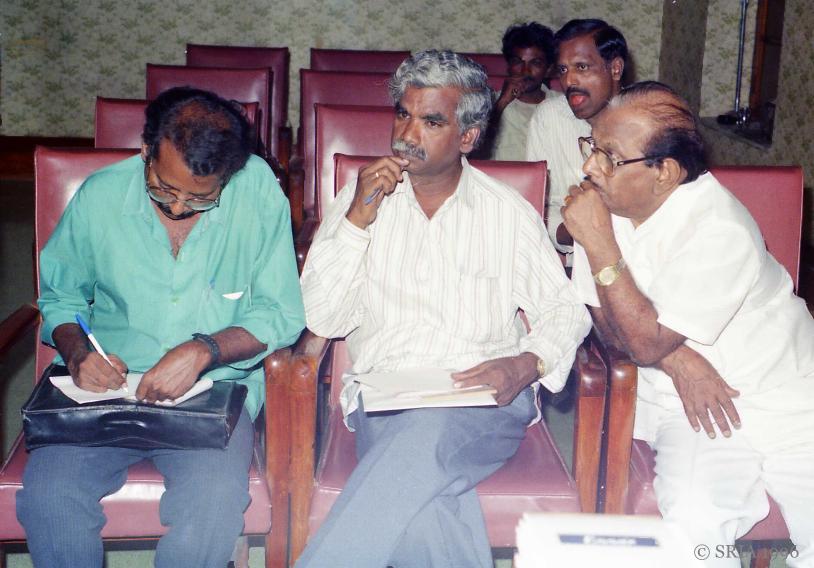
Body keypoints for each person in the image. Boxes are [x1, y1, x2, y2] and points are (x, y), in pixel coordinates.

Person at [298, 50, 590, 568]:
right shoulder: (358, 202)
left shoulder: (507, 213)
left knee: (421, 444)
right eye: (403, 114)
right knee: (424, 511)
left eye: (431, 121)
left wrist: (526, 363)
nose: (407, 134)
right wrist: (357, 222)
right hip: (387, 397)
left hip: (484, 399)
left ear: (468, 136)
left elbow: (566, 311)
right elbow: (322, 318)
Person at [16, 87, 305, 568]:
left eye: (201, 198)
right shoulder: (101, 195)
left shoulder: (256, 192)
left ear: (229, 175)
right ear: (146, 151)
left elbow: (280, 313)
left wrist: (205, 350)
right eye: (164, 189)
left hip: (211, 394)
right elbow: (62, 298)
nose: (177, 208)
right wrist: (79, 353)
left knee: (212, 504)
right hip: (106, 391)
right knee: (50, 497)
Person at [563, 81, 814, 567]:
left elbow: (643, 342)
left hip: (789, 398)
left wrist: (599, 246)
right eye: (592, 145)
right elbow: (610, 327)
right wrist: (678, 361)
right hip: (692, 408)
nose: (589, 167)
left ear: (665, 173)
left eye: (609, 156)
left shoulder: (718, 227)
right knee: (695, 521)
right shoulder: (600, 208)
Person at [526, 18, 627, 262]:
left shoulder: (647, 121)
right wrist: (580, 231)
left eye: (582, 67)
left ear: (615, 68)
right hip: (573, 265)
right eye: (563, 70)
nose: (569, 81)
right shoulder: (549, 118)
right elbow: (538, 207)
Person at [491, 21, 557, 161]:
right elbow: (474, 148)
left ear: (549, 69)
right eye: (518, 62)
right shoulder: (490, 104)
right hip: (502, 175)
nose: (525, 71)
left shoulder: (562, 105)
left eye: (535, 63)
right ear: (508, 66)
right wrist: (501, 103)